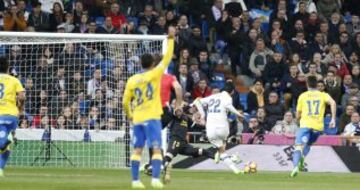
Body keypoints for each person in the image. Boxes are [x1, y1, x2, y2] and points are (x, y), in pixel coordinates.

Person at [122, 27, 175, 189]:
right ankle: (155, 179)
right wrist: (171, 39)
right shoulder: (155, 74)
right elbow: (166, 59)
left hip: (138, 118)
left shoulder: (132, 80)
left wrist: (130, 115)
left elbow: (125, 102)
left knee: (137, 150)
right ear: (152, 64)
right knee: (157, 148)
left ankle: (135, 181)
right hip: (152, 117)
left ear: (140, 64)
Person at [193, 81, 244, 174]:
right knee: (223, 144)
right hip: (222, 128)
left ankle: (234, 168)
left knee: (221, 150)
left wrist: (203, 114)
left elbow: (197, 101)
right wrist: (238, 114)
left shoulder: (212, 96)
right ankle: (228, 156)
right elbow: (229, 106)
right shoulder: (228, 97)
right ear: (232, 92)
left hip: (210, 129)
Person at [290, 76, 336, 177]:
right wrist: (333, 119)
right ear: (316, 85)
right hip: (318, 127)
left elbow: (298, 115)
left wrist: (297, 119)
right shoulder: (323, 95)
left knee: (298, 145)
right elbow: (333, 103)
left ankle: (295, 167)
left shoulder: (303, 96)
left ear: (307, 84)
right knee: (308, 145)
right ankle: (303, 158)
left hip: (305, 125)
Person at [0, 56, 26, 177]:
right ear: (8, 68)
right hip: (11, 115)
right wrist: (20, 108)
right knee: (6, 146)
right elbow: (22, 96)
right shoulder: (14, 80)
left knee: (2, 144)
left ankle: (8, 138)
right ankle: (0, 169)